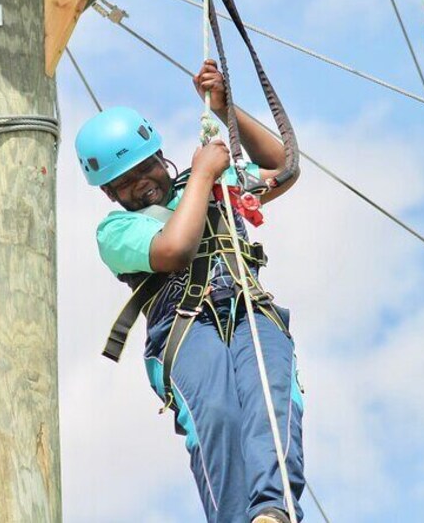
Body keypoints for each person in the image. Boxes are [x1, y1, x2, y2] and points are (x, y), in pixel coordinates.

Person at [75, 60, 305, 523]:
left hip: (248, 311)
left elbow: (283, 166)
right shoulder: (117, 230)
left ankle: (272, 512)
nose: (141, 184)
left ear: (162, 159)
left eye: (147, 169)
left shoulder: (211, 184)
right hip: (184, 328)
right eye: (124, 182)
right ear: (109, 194)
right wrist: (202, 175)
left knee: (271, 394)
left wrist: (227, 111)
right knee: (217, 414)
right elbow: (174, 250)